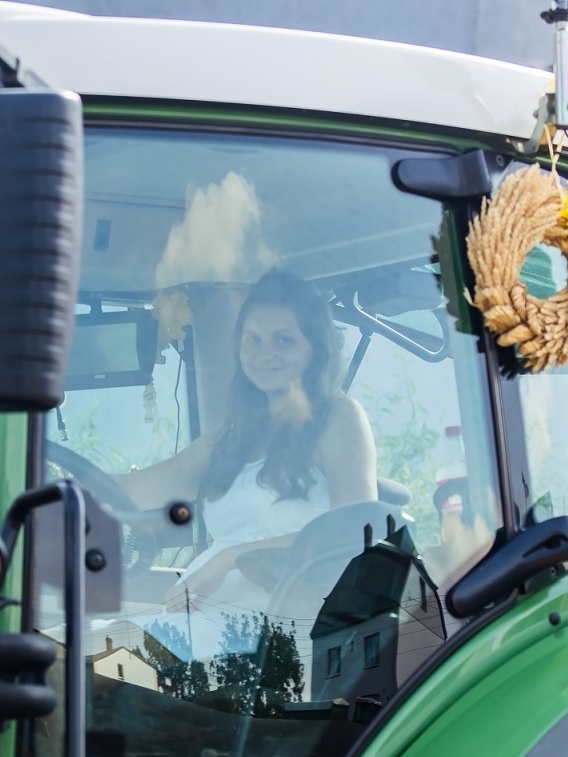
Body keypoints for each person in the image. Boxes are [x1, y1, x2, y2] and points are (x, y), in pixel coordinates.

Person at [115, 269, 377, 634]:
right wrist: (54, 487)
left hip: (282, 636)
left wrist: (228, 559)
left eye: (283, 340)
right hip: (208, 626)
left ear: (316, 348)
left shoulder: (338, 416)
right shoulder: (230, 438)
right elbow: (127, 492)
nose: (264, 353)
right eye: (252, 339)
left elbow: (357, 531)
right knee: (64, 647)